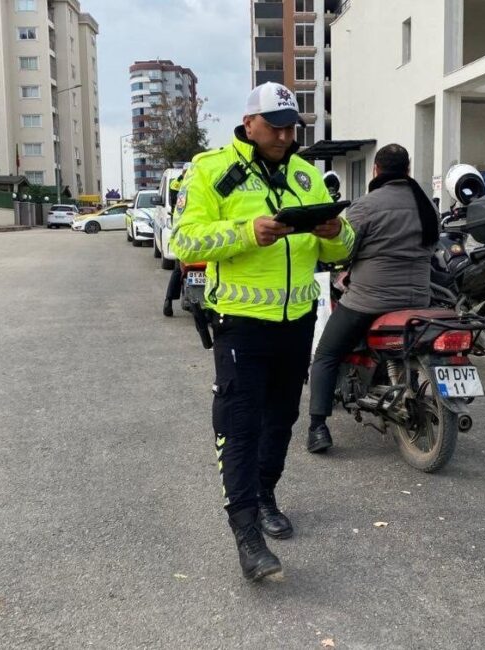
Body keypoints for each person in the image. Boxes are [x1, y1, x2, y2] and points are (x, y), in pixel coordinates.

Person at [171, 82, 355, 582]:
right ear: (248, 122)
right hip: (241, 326)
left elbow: (341, 253)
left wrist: (337, 233)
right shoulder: (212, 170)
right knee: (240, 425)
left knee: (281, 420)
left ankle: (267, 495)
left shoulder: (305, 174)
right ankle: (247, 533)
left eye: (291, 126)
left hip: (297, 323)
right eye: (274, 125)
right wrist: (245, 233)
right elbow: (183, 238)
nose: (283, 134)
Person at [306, 143, 441, 453]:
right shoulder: (427, 205)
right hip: (419, 298)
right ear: (407, 170)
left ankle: (317, 427)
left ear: (375, 171)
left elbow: (344, 249)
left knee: (326, 354)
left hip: (369, 301)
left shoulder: (366, 206)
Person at [163, 168, 189, 318]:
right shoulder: (192, 190)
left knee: (179, 269)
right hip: (189, 232)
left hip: (182, 232)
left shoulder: (178, 191)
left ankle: (168, 301)